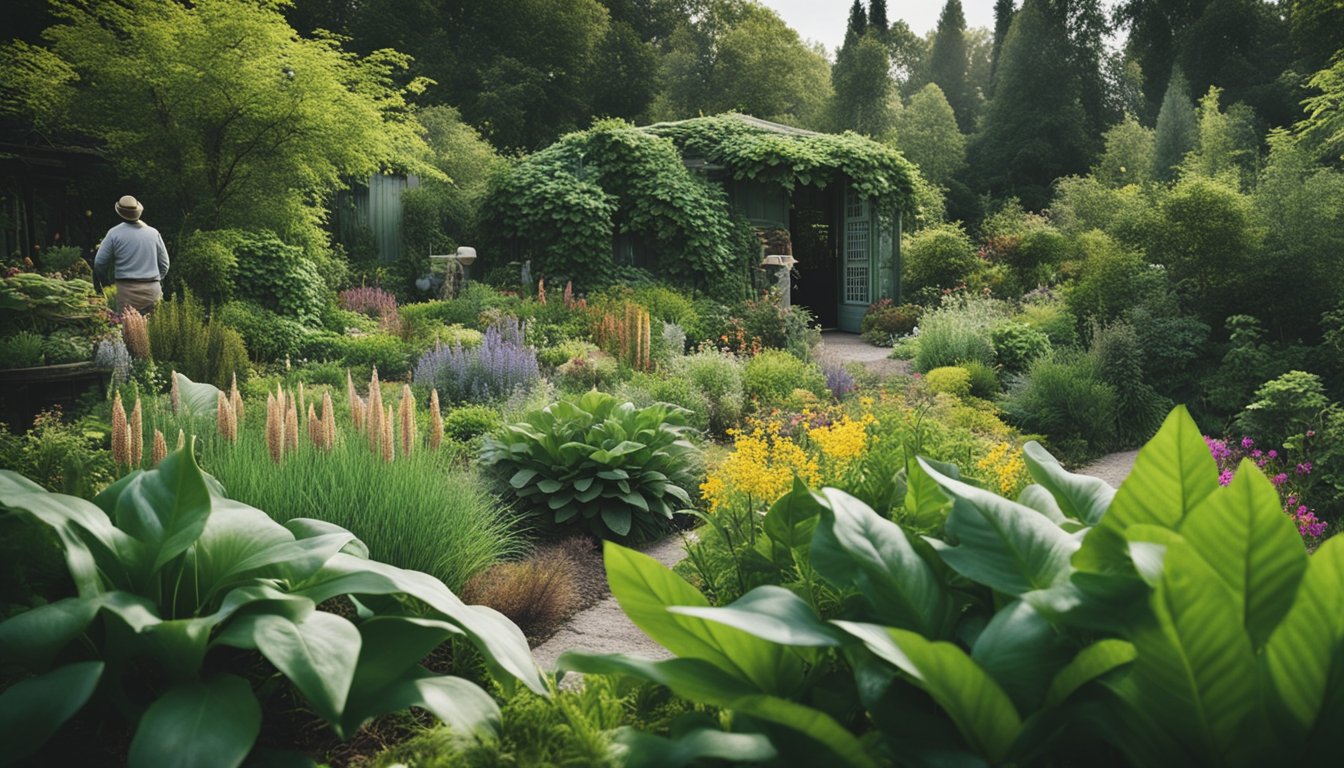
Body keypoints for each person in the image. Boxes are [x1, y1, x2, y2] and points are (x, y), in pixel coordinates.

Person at [93, 195, 170, 314]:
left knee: (127, 330)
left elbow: (99, 264)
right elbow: (165, 264)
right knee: (154, 331)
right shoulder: (153, 233)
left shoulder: (114, 233)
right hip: (152, 290)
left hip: (125, 291)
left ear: (120, 213)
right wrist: (153, 281)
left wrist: (107, 283)